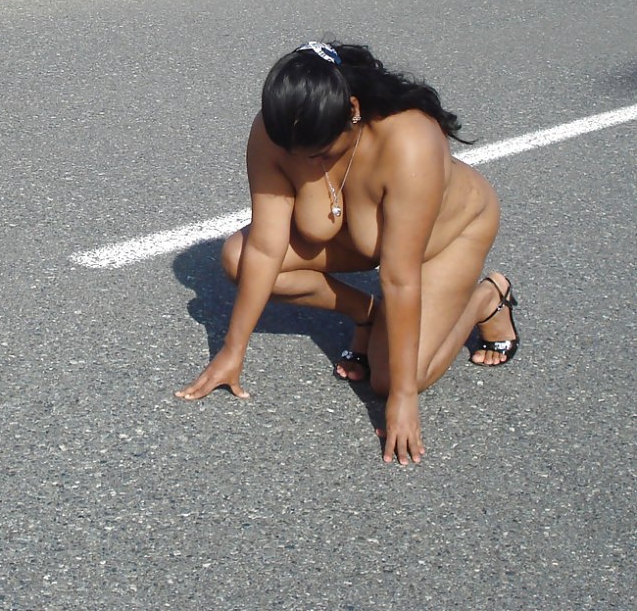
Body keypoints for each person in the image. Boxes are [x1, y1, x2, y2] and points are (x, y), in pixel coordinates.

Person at [176, 41, 520, 465]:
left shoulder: (410, 142)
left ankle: (487, 298)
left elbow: (400, 278)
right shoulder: (279, 131)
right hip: (357, 241)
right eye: (293, 154)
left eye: (319, 152)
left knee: (391, 378)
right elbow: (265, 248)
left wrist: (403, 398)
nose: (303, 162)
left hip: (447, 239)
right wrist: (232, 350)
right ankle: (368, 314)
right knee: (238, 258)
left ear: (353, 110)